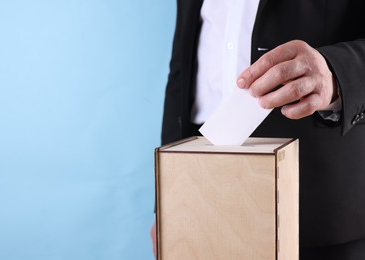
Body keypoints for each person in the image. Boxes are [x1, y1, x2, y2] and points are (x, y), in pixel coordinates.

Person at [152, 0, 365, 259]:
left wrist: (336, 73)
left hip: (317, 202)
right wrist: (165, 201)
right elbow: (182, 66)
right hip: (198, 193)